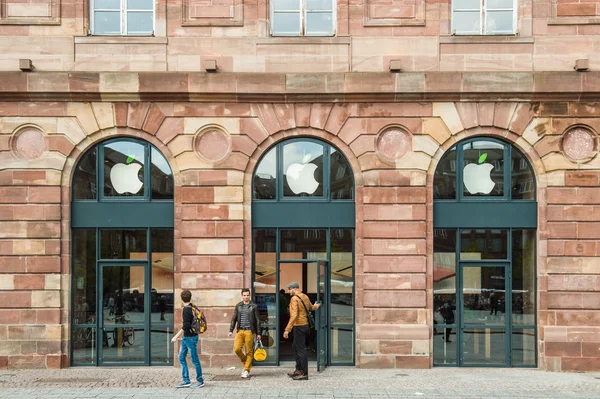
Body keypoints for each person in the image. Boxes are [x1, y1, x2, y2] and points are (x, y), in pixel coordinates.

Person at [283, 282, 320, 381]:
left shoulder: (294, 298)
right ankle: (298, 370)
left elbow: (294, 315)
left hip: (299, 326)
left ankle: (304, 373)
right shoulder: (305, 296)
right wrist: (316, 306)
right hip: (305, 326)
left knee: (300, 350)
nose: (288, 292)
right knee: (295, 348)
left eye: (289, 290)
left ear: (294, 289)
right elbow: (311, 308)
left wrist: (287, 330)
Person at [171, 289, 205, 389]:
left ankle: (200, 380)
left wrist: (176, 336)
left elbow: (186, 326)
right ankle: (186, 380)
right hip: (188, 337)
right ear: (190, 297)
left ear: (182, 299)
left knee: (194, 360)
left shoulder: (186, 309)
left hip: (190, 338)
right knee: (181, 357)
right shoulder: (193, 307)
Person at [228, 288, 261, 379]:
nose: (246, 297)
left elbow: (258, 320)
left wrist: (258, 333)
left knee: (249, 351)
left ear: (249, 296)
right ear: (242, 296)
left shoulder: (254, 306)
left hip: (249, 331)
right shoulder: (238, 306)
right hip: (240, 330)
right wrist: (231, 330)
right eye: (244, 295)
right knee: (237, 349)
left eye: (247, 295)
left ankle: (246, 370)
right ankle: (247, 362)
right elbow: (234, 318)